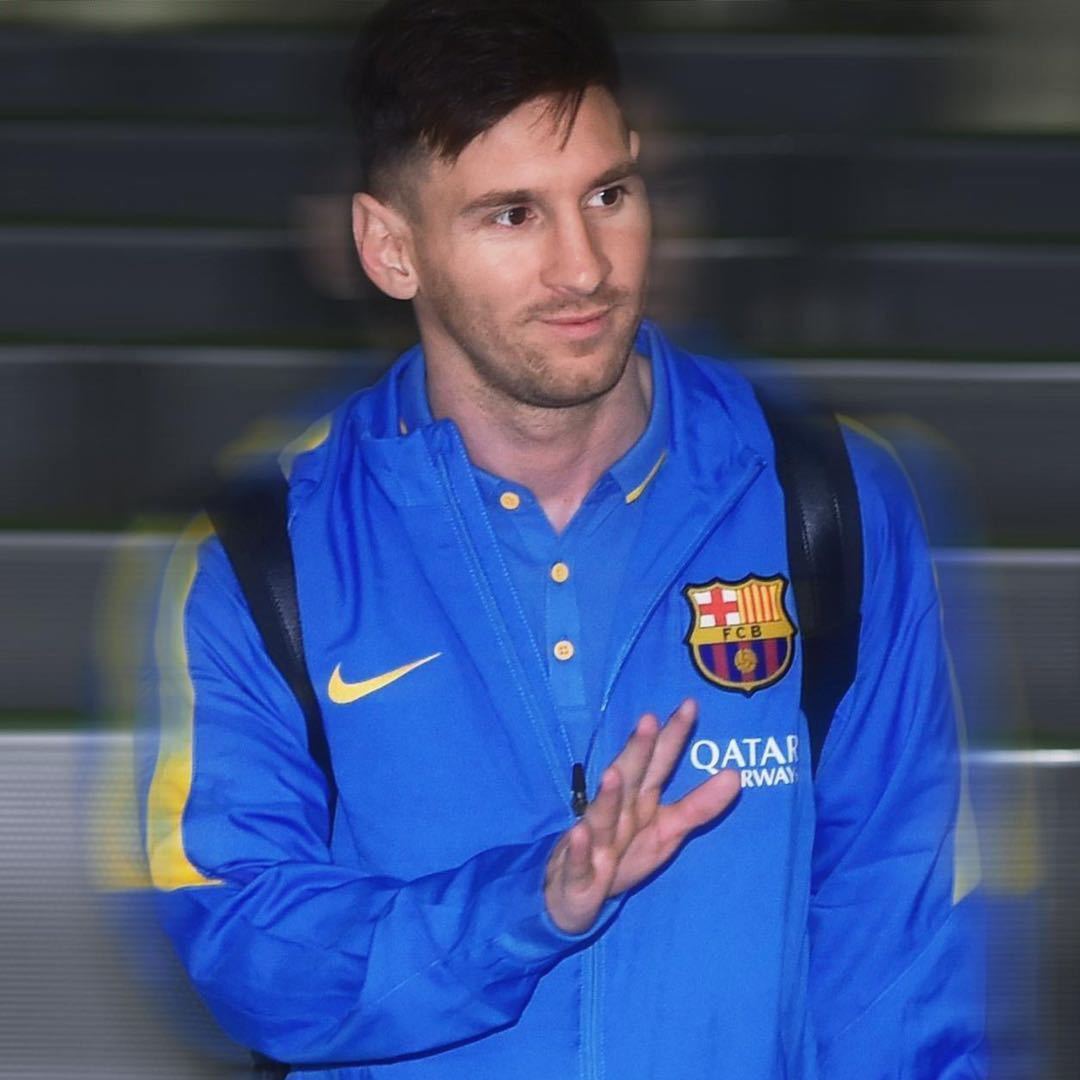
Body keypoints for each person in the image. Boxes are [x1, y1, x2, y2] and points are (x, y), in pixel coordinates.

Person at [140, 0, 986, 1076]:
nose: (584, 267)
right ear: (390, 249)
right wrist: (525, 906)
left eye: (608, 195)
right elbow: (244, 949)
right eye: (512, 215)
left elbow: (899, 951)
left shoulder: (831, 503)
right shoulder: (261, 559)